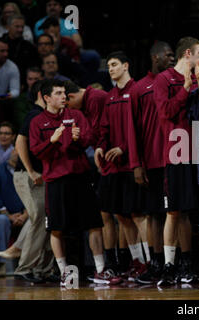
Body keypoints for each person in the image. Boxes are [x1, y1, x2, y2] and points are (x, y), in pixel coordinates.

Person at [29, 79, 121, 285]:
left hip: (80, 177)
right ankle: (65, 272)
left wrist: (79, 138)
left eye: (64, 93)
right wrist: (52, 140)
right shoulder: (37, 122)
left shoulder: (76, 115)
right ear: (47, 98)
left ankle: (100, 270)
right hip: (56, 181)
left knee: (94, 225)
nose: (64, 97)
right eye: (59, 93)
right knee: (57, 229)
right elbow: (36, 152)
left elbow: (90, 138)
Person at [153, 37, 199, 286]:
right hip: (176, 153)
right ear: (188, 53)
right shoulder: (164, 79)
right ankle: (170, 264)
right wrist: (185, 86)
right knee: (175, 211)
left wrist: (197, 82)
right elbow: (165, 112)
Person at [95, 51, 147, 281]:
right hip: (114, 166)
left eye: (114, 64)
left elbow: (142, 128)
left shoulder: (137, 91)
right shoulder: (109, 96)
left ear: (126, 65)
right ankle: (137, 261)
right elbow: (104, 129)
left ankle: (150, 261)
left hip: (132, 164)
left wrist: (124, 148)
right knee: (121, 216)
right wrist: (100, 146)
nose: (111, 69)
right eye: (108, 66)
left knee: (138, 214)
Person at [125, 41, 174, 284]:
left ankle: (173, 262)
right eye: (168, 55)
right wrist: (136, 163)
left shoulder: (175, 81)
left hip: (175, 158)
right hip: (153, 161)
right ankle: (155, 262)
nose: (172, 58)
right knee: (154, 215)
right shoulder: (138, 88)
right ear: (155, 57)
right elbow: (131, 130)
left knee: (176, 213)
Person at [12, 79, 55, 283]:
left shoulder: (46, 116)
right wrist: (30, 171)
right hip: (28, 175)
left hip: (41, 175)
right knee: (39, 217)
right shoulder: (34, 115)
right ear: (42, 95)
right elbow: (20, 141)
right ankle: (24, 268)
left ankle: (43, 269)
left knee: (48, 219)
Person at [0, 148, 28, 276]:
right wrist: (9, 216)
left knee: (36, 222)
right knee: (1, 221)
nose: (17, 152)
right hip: (5, 214)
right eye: (16, 150)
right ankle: (3, 265)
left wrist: (25, 215)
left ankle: (29, 266)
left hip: (27, 213)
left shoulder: (28, 171)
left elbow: (33, 196)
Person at [0, 37, 20, 122]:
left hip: (2, 101)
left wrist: (5, 96)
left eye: (7, 51)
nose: (6, 54)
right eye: (2, 51)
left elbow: (15, 91)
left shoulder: (12, 67)